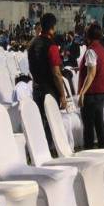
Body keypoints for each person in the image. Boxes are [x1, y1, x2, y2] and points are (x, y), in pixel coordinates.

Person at [28, 14, 69, 151]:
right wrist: (63, 94)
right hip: (49, 88)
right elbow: (57, 73)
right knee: (50, 121)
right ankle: (49, 150)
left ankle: (37, 150)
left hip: (36, 86)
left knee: (39, 121)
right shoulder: (51, 46)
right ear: (52, 28)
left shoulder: (32, 43)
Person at [77, 24, 104, 149]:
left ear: (87, 36)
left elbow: (91, 74)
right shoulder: (101, 48)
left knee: (89, 125)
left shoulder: (91, 50)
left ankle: (88, 150)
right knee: (99, 123)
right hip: (101, 91)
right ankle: (103, 149)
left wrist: (82, 92)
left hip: (92, 92)